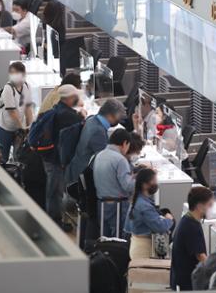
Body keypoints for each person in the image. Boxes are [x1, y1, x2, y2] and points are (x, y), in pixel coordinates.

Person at [42, 84, 85, 227]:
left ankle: (53, 219)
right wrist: (82, 116)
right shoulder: (67, 115)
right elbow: (81, 124)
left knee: (54, 190)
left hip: (50, 157)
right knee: (55, 192)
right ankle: (54, 222)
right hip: (55, 160)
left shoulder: (59, 109)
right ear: (69, 98)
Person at [93, 130, 144, 238]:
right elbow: (128, 186)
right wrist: (141, 179)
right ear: (125, 143)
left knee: (105, 238)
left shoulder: (100, 155)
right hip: (117, 206)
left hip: (101, 203)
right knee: (118, 240)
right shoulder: (120, 160)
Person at [66, 98, 126, 184]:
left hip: (78, 168)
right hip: (83, 178)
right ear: (109, 116)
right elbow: (106, 161)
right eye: (118, 117)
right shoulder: (98, 131)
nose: (119, 120)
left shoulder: (92, 119)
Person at [170, 186, 215, 291]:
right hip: (187, 282)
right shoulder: (191, 226)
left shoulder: (187, 219)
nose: (211, 209)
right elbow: (201, 256)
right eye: (209, 205)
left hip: (182, 279)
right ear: (199, 206)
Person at [124, 168, 174, 259]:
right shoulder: (144, 206)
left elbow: (127, 228)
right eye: (154, 181)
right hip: (144, 249)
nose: (156, 184)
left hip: (137, 244)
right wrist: (169, 219)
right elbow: (160, 227)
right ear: (145, 185)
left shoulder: (137, 200)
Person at [0, 62, 34, 161]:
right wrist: (22, 127)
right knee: (3, 156)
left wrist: (30, 127)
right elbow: (12, 112)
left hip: (18, 127)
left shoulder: (27, 86)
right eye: (12, 73)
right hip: (4, 127)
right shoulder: (8, 88)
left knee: (19, 156)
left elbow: (28, 109)